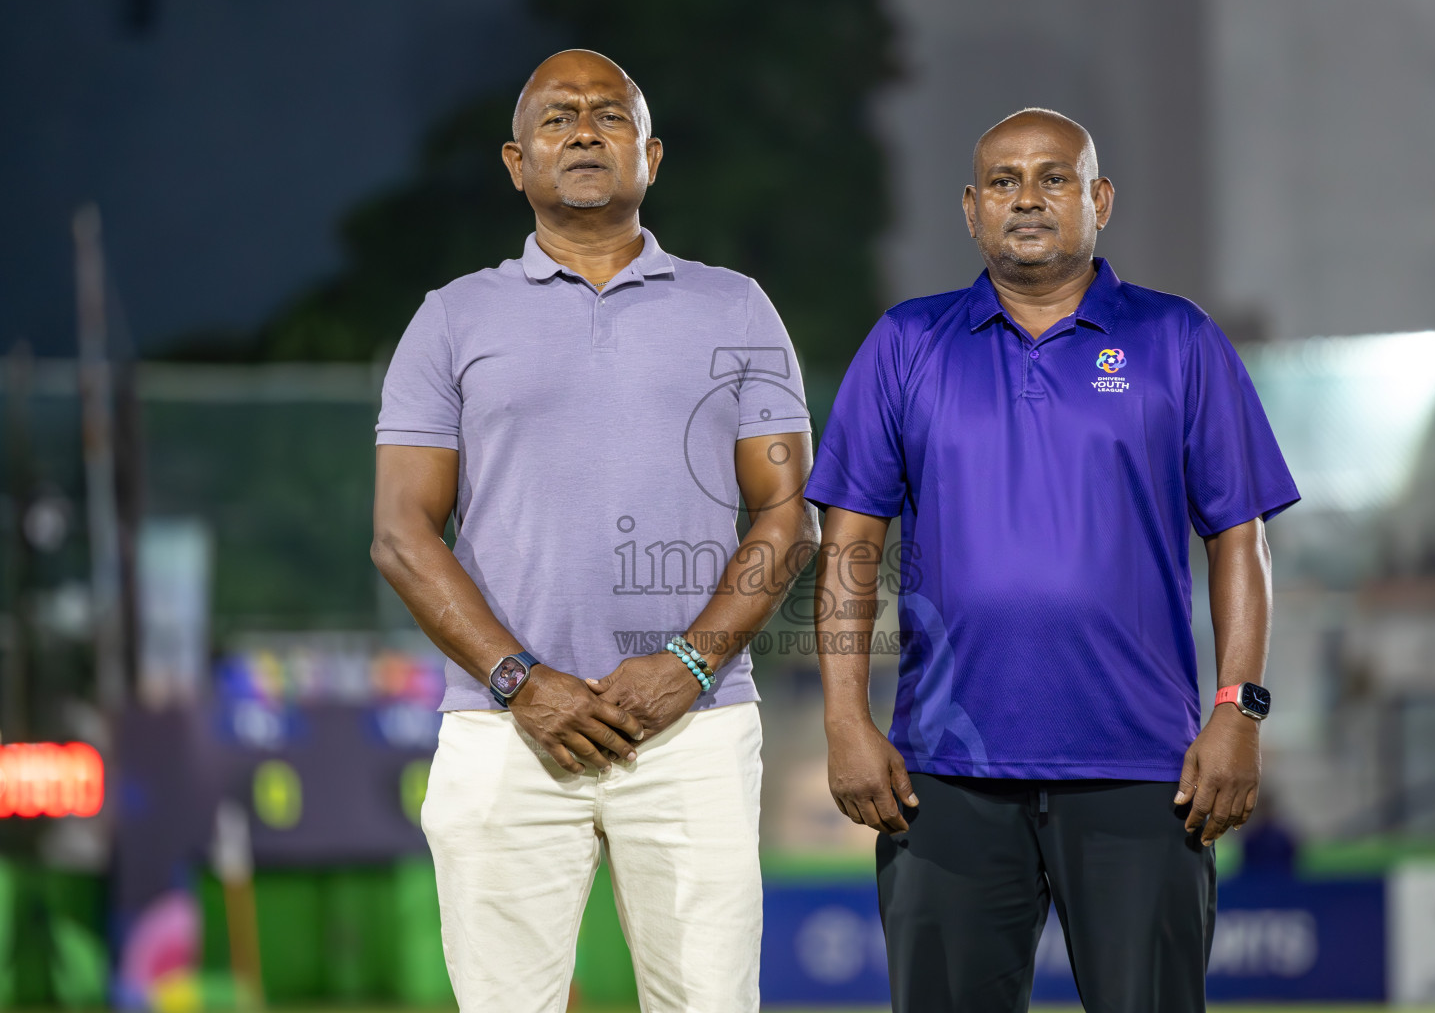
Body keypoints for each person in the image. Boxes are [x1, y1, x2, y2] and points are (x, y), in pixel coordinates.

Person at [805, 108, 1300, 1012]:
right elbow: (850, 547)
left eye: (1054, 177)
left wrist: (1239, 711)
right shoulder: (907, 344)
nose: (1026, 198)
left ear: (1098, 198)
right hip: (944, 775)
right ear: (970, 208)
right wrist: (846, 721)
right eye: (1003, 181)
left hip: (1145, 770)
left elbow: (1240, 536)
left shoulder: (1177, 340)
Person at [371, 49, 817, 1013]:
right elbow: (403, 533)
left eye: (610, 116)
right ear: (515, 161)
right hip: (502, 732)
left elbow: (789, 515)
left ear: (651, 155)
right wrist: (521, 683)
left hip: (693, 728)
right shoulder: (450, 320)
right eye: (558, 117)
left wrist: (687, 668)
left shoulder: (734, 306)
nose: (583, 130)